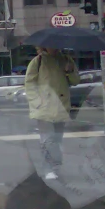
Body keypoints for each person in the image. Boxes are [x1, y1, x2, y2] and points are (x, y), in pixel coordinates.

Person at [24, 47, 79, 181]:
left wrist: (70, 71)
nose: (53, 47)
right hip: (44, 107)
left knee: (57, 140)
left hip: (61, 105)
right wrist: (37, 102)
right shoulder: (38, 61)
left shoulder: (66, 60)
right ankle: (48, 168)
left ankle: (55, 167)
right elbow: (29, 83)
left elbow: (76, 81)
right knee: (47, 139)